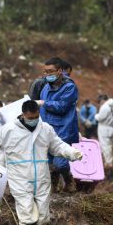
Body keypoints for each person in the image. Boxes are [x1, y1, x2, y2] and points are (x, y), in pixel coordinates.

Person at [0, 100, 82, 225]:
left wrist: (71, 152)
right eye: (30, 118)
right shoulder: (9, 130)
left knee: (43, 214)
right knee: (26, 210)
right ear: (23, 115)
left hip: (42, 176)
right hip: (20, 177)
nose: (34, 120)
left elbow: (57, 145)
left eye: (36, 117)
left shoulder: (45, 128)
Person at [38, 57, 78, 193]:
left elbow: (62, 107)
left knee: (60, 163)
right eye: (45, 72)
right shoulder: (45, 88)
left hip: (63, 130)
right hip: (46, 129)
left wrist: (44, 103)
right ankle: (54, 187)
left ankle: (68, 179)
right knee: (49, 162)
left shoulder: (69, 87)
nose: (47, 75)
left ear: (60, 71)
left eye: (50, 71)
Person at [95, 94, 113, 168]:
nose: (99, 103)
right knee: (111, 147)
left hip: (104, 129)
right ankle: (112, 162)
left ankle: (109, 164)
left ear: (102, 100)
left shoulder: (105, 107)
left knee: (105, 147)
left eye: (99, 101)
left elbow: (100, 118)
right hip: (112, 128)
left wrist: (96, 115)